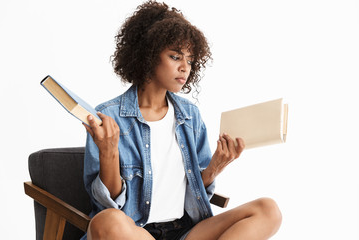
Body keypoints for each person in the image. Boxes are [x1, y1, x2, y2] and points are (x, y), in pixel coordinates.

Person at [82, 1, 282, 239]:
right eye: (175, 56)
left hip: (185, 232)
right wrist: (108, 154)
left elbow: (193, 196)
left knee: (268, 209)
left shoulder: (190, 116)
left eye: (190, 60)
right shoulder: (109, 115)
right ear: (148, 55)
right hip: (135, 232)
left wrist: (215, 167)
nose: (185, 68)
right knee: (107, 221)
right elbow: (109, 204)